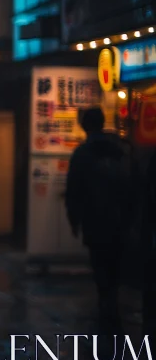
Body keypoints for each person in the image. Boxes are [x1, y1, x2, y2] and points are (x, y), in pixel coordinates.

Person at [66, 107, 133, 332]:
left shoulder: (82, 154)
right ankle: (111, 302)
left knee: (99, 262)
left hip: (94, 218)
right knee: (115, 262)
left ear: (85, 126)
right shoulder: (118, 151)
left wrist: (74, 219)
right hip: (119, 218)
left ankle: (105, 302)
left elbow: (74, 189)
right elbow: (130, 185)